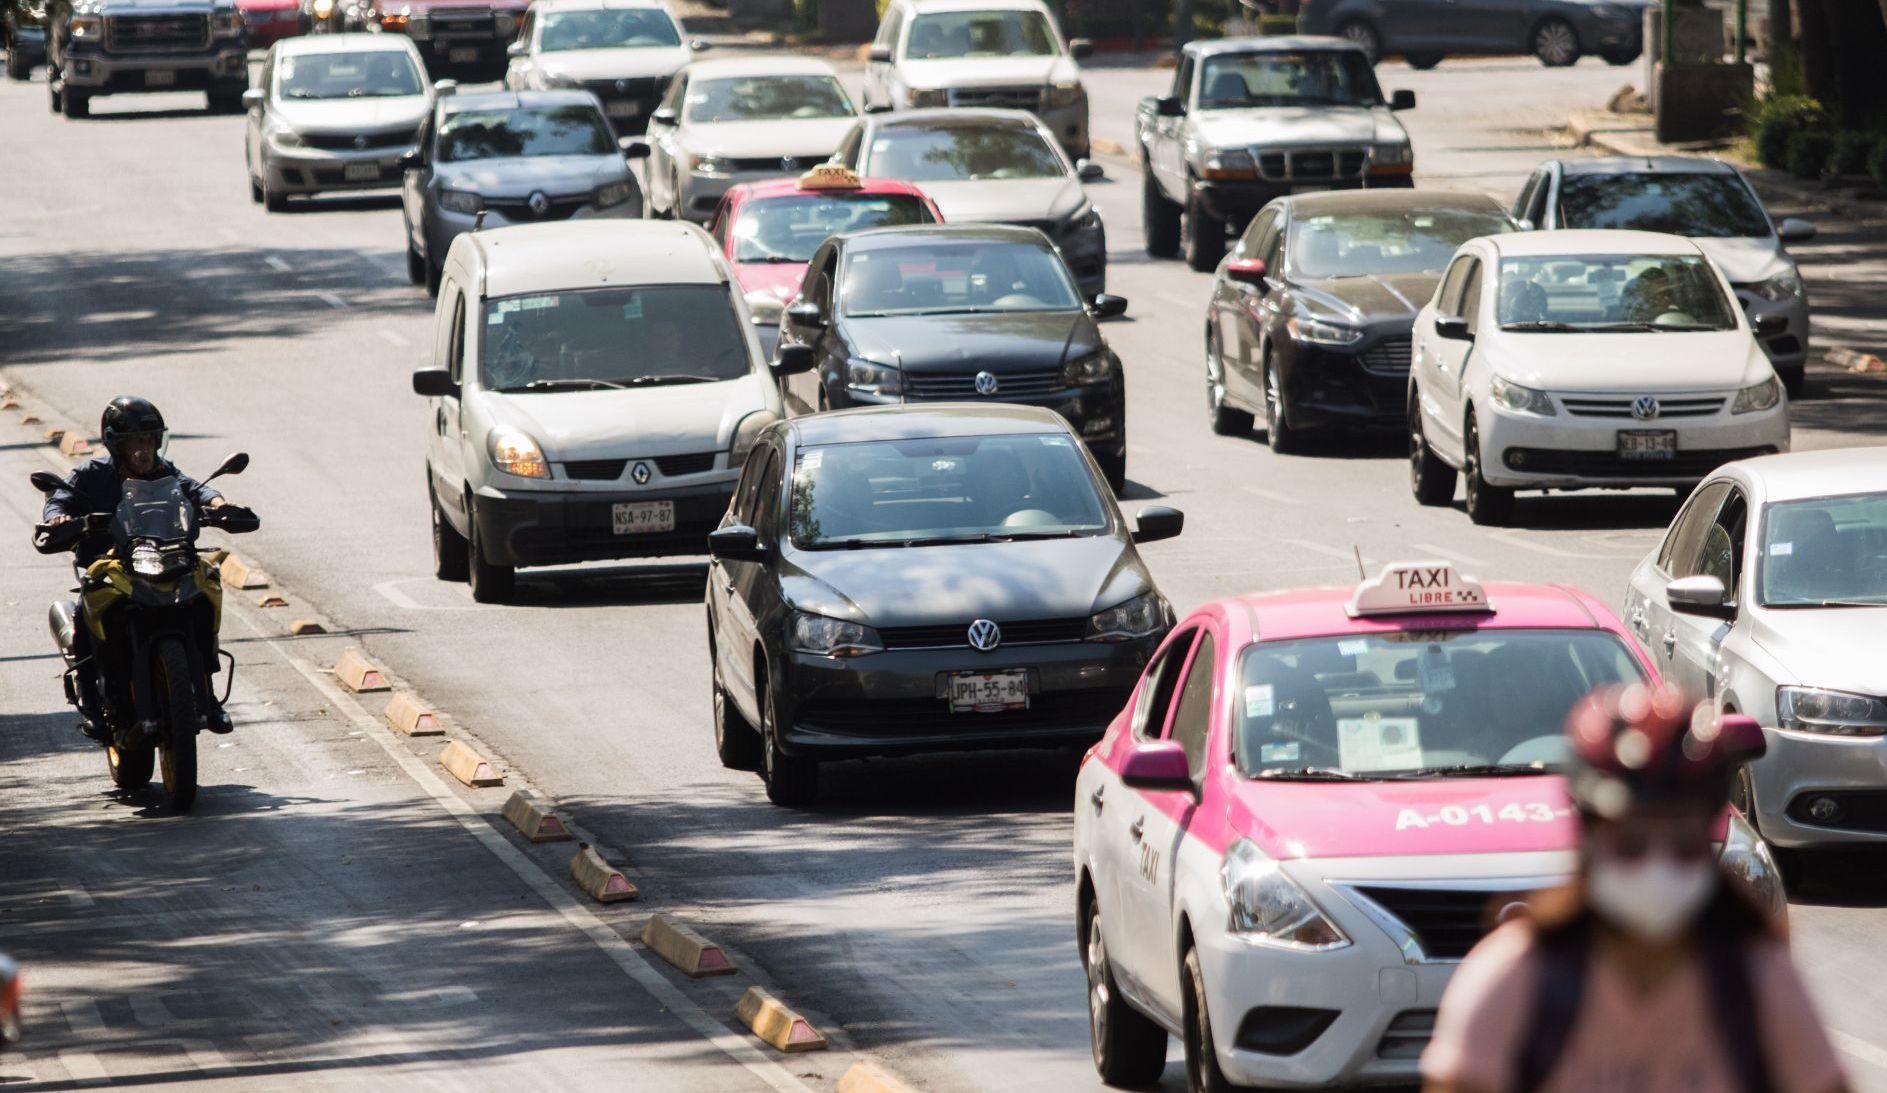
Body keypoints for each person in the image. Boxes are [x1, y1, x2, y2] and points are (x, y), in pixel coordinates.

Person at [1422, 682, 1847, 1093]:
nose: (1656, 869)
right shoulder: (1513, 984)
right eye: (1631, 845)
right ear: (1588, 838)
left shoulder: (1761, 986)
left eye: (1683, 846)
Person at [40, 396, 236, 736]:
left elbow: (195, 489)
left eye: (149, 440)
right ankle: (92, 705)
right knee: (87, 611)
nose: (143, 449)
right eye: (135, 441)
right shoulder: (92, 474)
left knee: (205, 587)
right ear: (117, 445)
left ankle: (209, 694)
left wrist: (219, 503)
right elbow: (60, 498)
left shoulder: (166, 472)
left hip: (167, 554)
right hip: (110, 561)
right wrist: (59, 518)